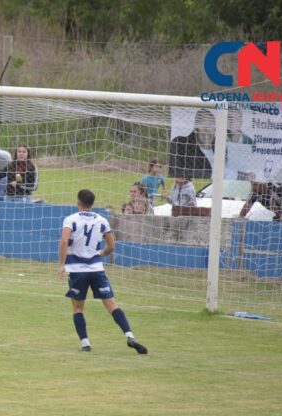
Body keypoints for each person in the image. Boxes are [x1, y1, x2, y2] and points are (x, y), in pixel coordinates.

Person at [58, 189, 147, 354]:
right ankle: (130, 335)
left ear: (78, 202)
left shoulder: (70, 220)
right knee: (112, 304)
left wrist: (62, 264)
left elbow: (64, 241)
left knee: (78, 308)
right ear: (92, 203)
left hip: (78, 270)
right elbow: (112, 245)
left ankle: (86, 344)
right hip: (97, 269)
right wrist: (101, 254)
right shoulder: (101, 220)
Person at [169, 108, 214, 179]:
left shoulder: (223, 148)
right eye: (203, 124)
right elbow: (176, 172)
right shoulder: (181, 144)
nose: (207, 129)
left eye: (210, 124)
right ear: (195, 128)